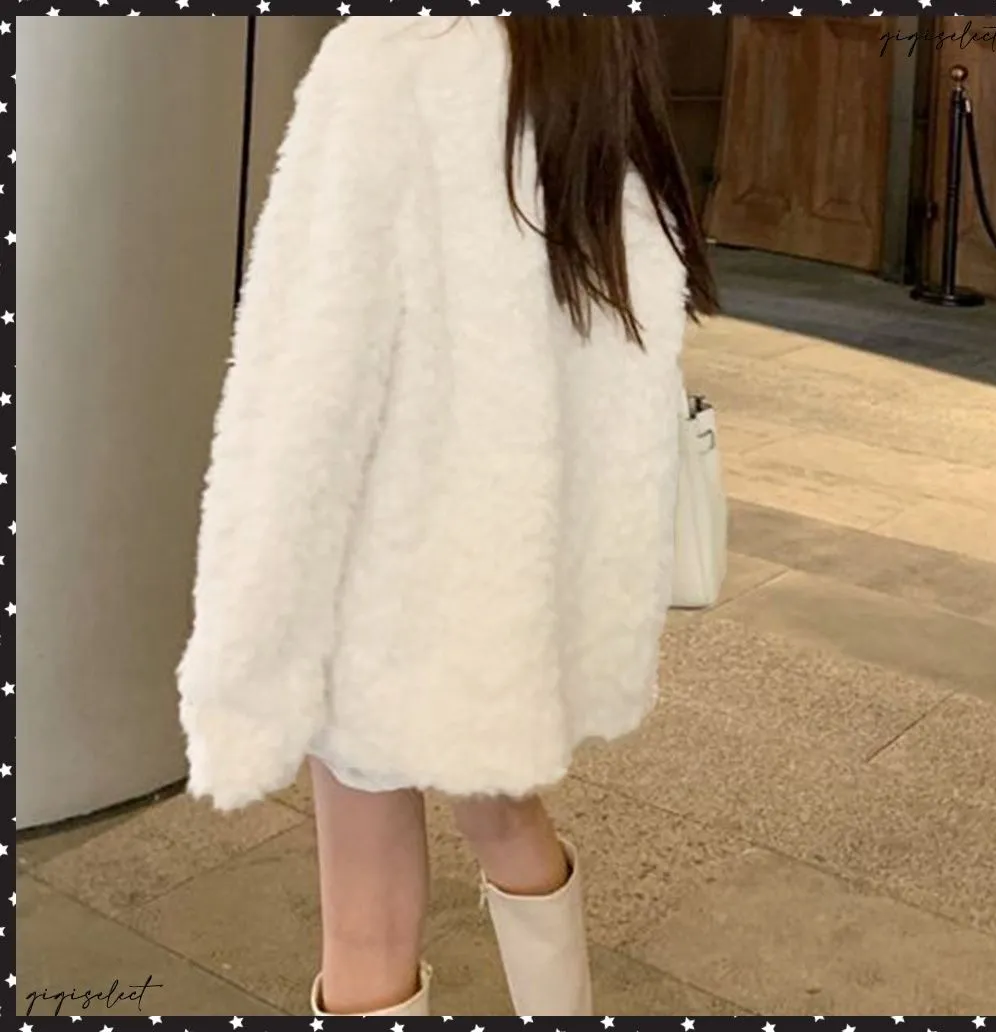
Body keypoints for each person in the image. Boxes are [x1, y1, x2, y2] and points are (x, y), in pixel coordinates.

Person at [176, 14, 717, 1019]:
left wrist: (252, 626)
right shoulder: (591, 57)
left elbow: (305, 382)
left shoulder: (387, 66)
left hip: (386, 557)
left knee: (364, 921)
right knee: (503, 804)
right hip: (513, 562)